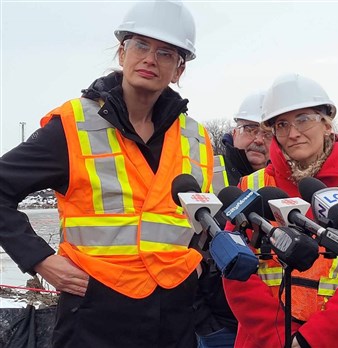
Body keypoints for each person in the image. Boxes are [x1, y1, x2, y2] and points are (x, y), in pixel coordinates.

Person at [0, 1, 214, 347]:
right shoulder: (72, 127)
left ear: (178, 69)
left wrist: (197, 261)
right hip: (96, 313)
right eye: (140, 45)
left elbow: (197, 219)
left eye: (165, 53)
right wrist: (40, 259)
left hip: (175, 315)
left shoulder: (197, 138)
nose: (149, 58)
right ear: (122, 52)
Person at [222, 73, 338, 348]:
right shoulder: (251, 187)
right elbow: (235, 270)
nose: (293, 133)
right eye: (282, 124)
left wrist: (312, 339)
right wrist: (281, 339)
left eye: (304, 119)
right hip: (265, 341)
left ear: (327, 124)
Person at [195, 91, 272, 348]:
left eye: (268, 133)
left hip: (270, 320)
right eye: (250, 129)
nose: (259, 140)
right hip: (219, 325)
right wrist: (203, 319)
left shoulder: (279, 184)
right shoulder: (207, 174)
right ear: (235, 131)